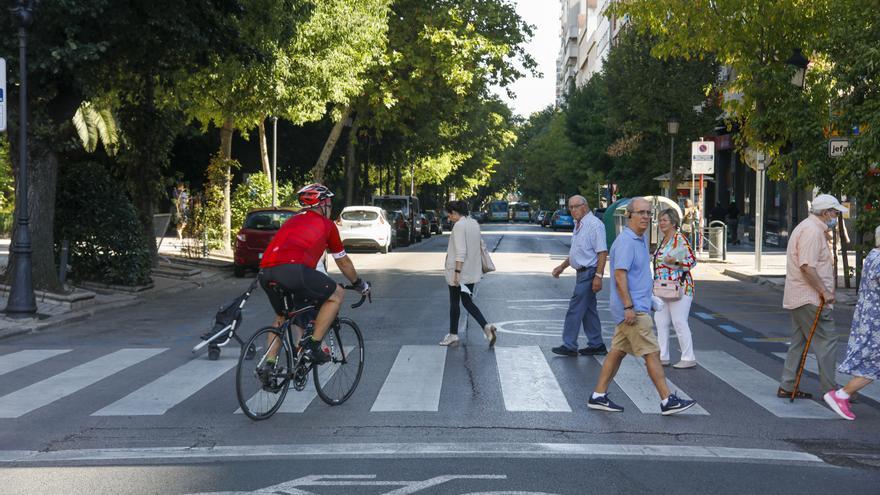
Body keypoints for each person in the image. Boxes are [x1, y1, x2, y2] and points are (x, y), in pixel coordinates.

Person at [587, 197, 697, 415]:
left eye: (648, 213)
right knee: (652, 353)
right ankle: (667, 399)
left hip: (637, 306)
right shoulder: (627, 241)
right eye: (641, 213)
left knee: (617, 352)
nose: (646, 217)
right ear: (630, 216)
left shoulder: (639, 239)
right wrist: (629, 306)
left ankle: (598, 395)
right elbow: (619, 275)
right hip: (634, 311)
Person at [259, 183, 370, 365]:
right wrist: (359, 284)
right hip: (294, 271)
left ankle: (269, 365)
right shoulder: (327, 225)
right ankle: (313, 345)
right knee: (336, 295)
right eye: (330, 204)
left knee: (281, 317)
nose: (331, 208)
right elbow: (342, 262)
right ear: (323, 204)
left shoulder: (291, 220)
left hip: (266, 271)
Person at [777, 194, 848, 399]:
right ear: (825, 213)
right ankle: (831, 390)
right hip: (810, 298)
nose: (836, 216)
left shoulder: (809, 228)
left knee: (799, 341)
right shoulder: (812, 231)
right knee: (827, 340)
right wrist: (824, 292)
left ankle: (788, 385)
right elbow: (807, 266)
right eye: (835, 212)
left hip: (802, 297)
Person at [823, 225, 880, 420]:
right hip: (876, 322)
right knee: (873, 366)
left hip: (869, 318)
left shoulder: (873, 255)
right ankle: (841, 394)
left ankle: (842, 394)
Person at [551, 195, 608, 356]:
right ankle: (597, 344)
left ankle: (569, 345)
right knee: (589, 311)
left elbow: (602, 252)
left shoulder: (594, 225)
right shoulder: (579, 225)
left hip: (589, 273)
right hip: (582, 273)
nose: (573, 210)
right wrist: (562, 267)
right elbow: (577, 253)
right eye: (571, 207)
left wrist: (598, 276)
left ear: (585, 206)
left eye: (576, 206)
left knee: (575, 309)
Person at [439, 200, 496, 347]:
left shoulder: (459, 226)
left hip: (459, 271)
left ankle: (453, 335)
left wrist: (457, 273)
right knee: (467, 302)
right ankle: (486, 327)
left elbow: (461, 251)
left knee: (454, 302)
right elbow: (481, 245)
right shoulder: (474, 224)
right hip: (471, 272)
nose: (449, 218)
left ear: (455, 213)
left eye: (449, 215)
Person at [653, 208, 697, 368]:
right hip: (662, 287)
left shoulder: (680, 240)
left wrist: (674, 263)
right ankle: (663, 356)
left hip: (680, 287)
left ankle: (688, 357)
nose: (661, 223)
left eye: (664, 220)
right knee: (661, 322)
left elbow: (692, 262)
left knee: (679, 322)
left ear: (673, 222)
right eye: (660, 220)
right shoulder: (663, 240)